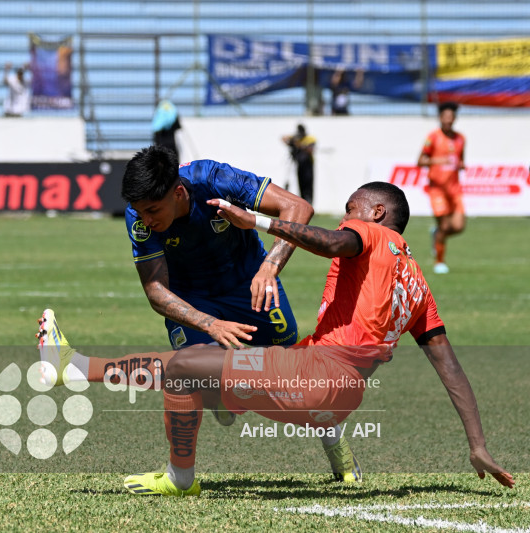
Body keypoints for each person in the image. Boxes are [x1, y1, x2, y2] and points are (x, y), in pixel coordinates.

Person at [36, 181, 515, 496]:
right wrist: (477, 445)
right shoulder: (418, 286)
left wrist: (259, 222)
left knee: (185, 366)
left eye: (351, 210)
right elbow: (451, 368)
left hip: (315, 380)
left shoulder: (373, 235)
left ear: (377, 211)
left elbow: (334, 241)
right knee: (206, 370)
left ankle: (177, 474)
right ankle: (76, 367)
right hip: (338, 395)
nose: (345, 218)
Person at [115, 145, 362, 481]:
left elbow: (298, 207)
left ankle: (337, 449)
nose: (145, 220)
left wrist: (270, 267)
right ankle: (181, 471)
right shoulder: (139, 216)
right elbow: (156, 290)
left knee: (297, 378)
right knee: (190, 369)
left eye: (152, 210)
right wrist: (209, 324)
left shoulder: (216, 179)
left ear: (178, 193)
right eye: (139, 211)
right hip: (193, 299)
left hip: (250, 285)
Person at [418, 102, 466, 275]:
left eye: (451, 117)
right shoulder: (433, 137)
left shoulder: (460, 138)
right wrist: (438, 161)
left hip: (454, 189)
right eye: (445, 117)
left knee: (459, 226)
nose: (448, 120)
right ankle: (439, 261)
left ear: (454, 119)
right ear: (440, 118)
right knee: (445, 226)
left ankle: (436, 234)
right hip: (437, 189)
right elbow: (420, 161)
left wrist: (461, 164)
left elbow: (461, 160)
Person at [281, 124, 316, 205]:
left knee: (308, 187)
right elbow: (283, 138)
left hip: (308, 167)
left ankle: (309, 203)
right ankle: (303, 203)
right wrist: (293, 139)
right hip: (300, 166)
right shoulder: (296, 139)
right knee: (301, 186)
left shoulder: (309, 139)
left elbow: (311, 150)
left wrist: (300, 145)